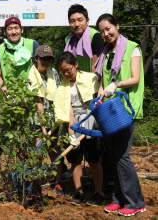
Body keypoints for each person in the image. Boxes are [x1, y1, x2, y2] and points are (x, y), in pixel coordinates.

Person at [95, 14, 146, 216]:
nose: (105, 34)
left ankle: (135, 203)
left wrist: (116, 84)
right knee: (113, 156)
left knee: (122, 157)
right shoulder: (106, 52)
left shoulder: (132, 47)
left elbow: (135, 78)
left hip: (127, 109)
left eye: (108, 28)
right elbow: (102, 82)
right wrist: (100, 94)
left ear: (117, 25)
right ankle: (118, 198)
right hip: (110, 111)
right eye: (101, 31)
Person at [54, 51, 104, 206]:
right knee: (75, 160)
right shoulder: (63, 87)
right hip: (73, 124)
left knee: (93, 160)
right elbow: (68, 109)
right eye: (62, 72)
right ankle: (79, 191)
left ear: (76, 64)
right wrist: (71, 135)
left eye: (68, 70)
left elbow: (99, 98)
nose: (66, 74)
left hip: (91, 121)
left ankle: (99, 192)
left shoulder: (90, 78)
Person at [27, 45, 64, 194]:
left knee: (54, 151)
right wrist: (43, 128)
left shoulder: (53, 73)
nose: (46, 62)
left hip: (53, 119)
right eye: (43, 58)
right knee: (37, 152)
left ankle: (58, 182)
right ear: (36, 59)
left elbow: (60, 93)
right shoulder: (31, 75)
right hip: (36, 119)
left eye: (49, 59)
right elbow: (39, 103)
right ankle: (36, 184)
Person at [0, 17, 39, 93]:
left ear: (22, 30)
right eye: (10, 29)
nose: (14, 32)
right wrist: (7, 94)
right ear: (5, 32)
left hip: (32, 93)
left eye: (16, 28)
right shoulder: (0, 49)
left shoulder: (33, 44)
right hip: (11, 96)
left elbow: (39, 69)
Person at [64, 4, 105, 73]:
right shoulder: (68, 39)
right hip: (77, 79)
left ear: (87, 20)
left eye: (80, 20)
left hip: (92, 79)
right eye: (72, 21)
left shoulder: (96, 36)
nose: (77, 24)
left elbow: (95, 68)